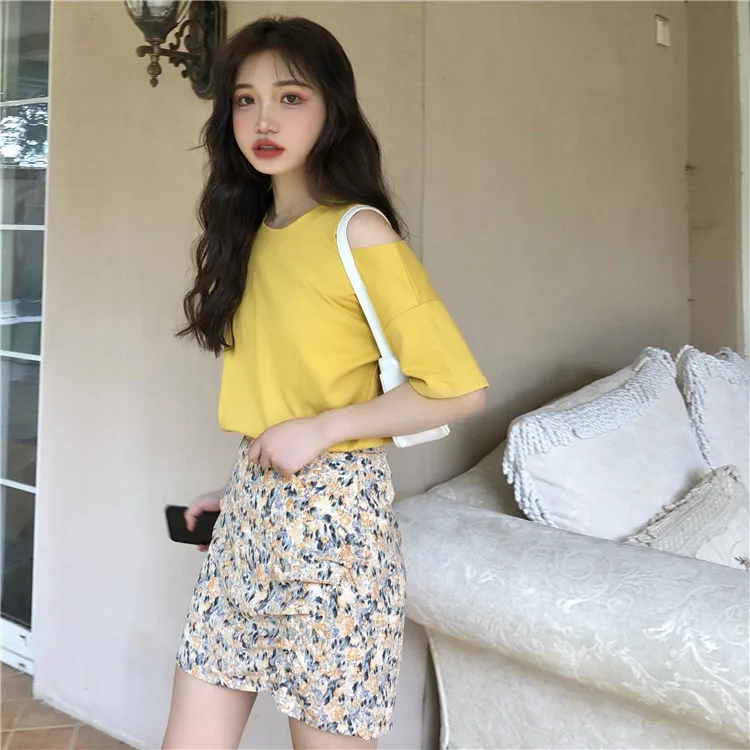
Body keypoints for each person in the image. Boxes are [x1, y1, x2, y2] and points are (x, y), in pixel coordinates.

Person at [162, 15, 489, 750]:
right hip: (251, 515)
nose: (265, 119)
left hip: (338, 534)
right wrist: (243, 486)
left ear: (331, 108)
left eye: (291, 96)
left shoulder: (358, 231)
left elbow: (458, 388)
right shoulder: (250, 236)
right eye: (245, 100)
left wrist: (321, 431)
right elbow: (289, 393)